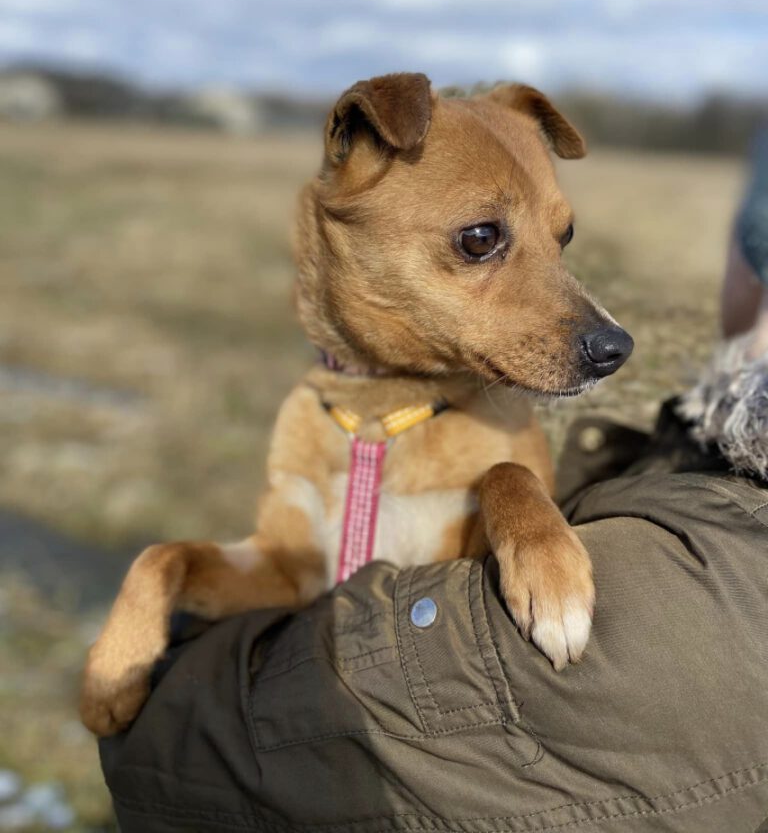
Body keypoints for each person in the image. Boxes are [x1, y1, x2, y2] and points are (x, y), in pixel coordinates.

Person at [98, 135, 768, 833]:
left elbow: (171, 764)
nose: (601, 328)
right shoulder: (697, 462)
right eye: (481, 241)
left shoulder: (708, 594)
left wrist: (513, 500)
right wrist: (166, 576)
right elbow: (285, 572)